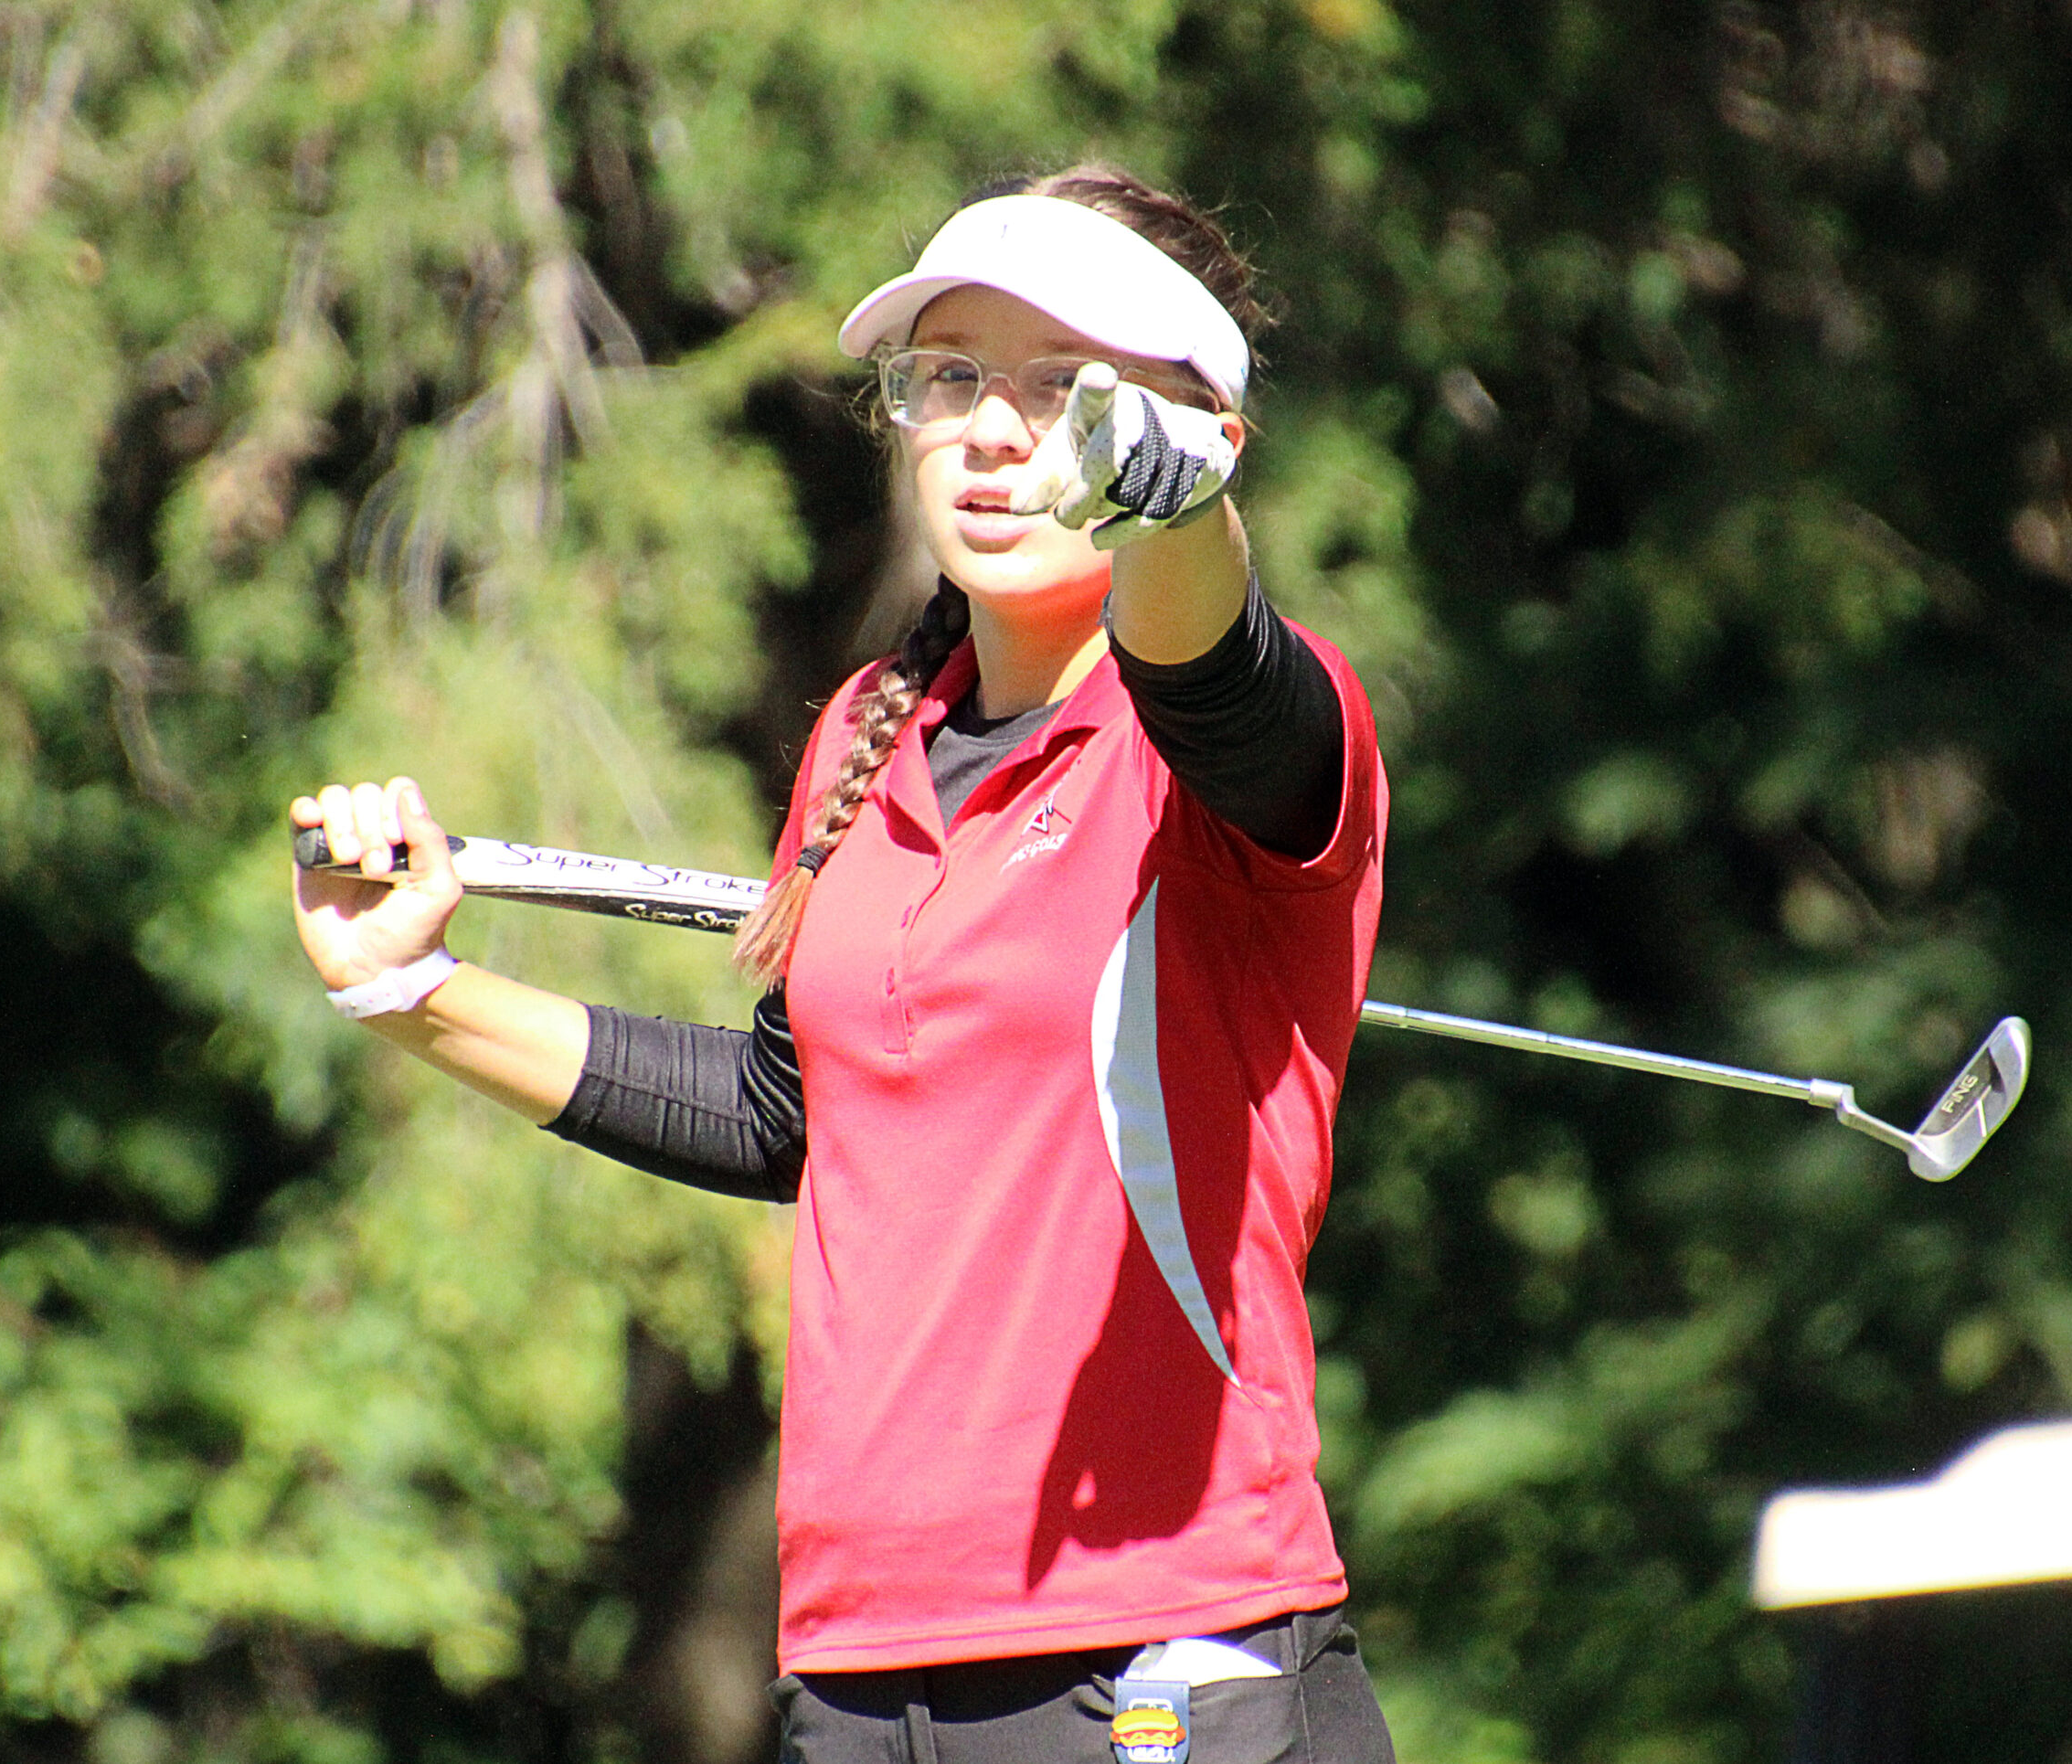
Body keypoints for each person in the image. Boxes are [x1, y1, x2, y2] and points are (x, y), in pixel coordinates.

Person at [292, 165, 1394, 1763]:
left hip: (1166, 1654)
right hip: (864, 1665)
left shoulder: (1237, 746)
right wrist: (411, 989)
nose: (998, 432)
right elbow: (793, 1112)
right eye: (951, 379)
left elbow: (1215, 668)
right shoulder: (873, 746)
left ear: (1193, 427)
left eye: (1067, 389)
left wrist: (1173, 509)